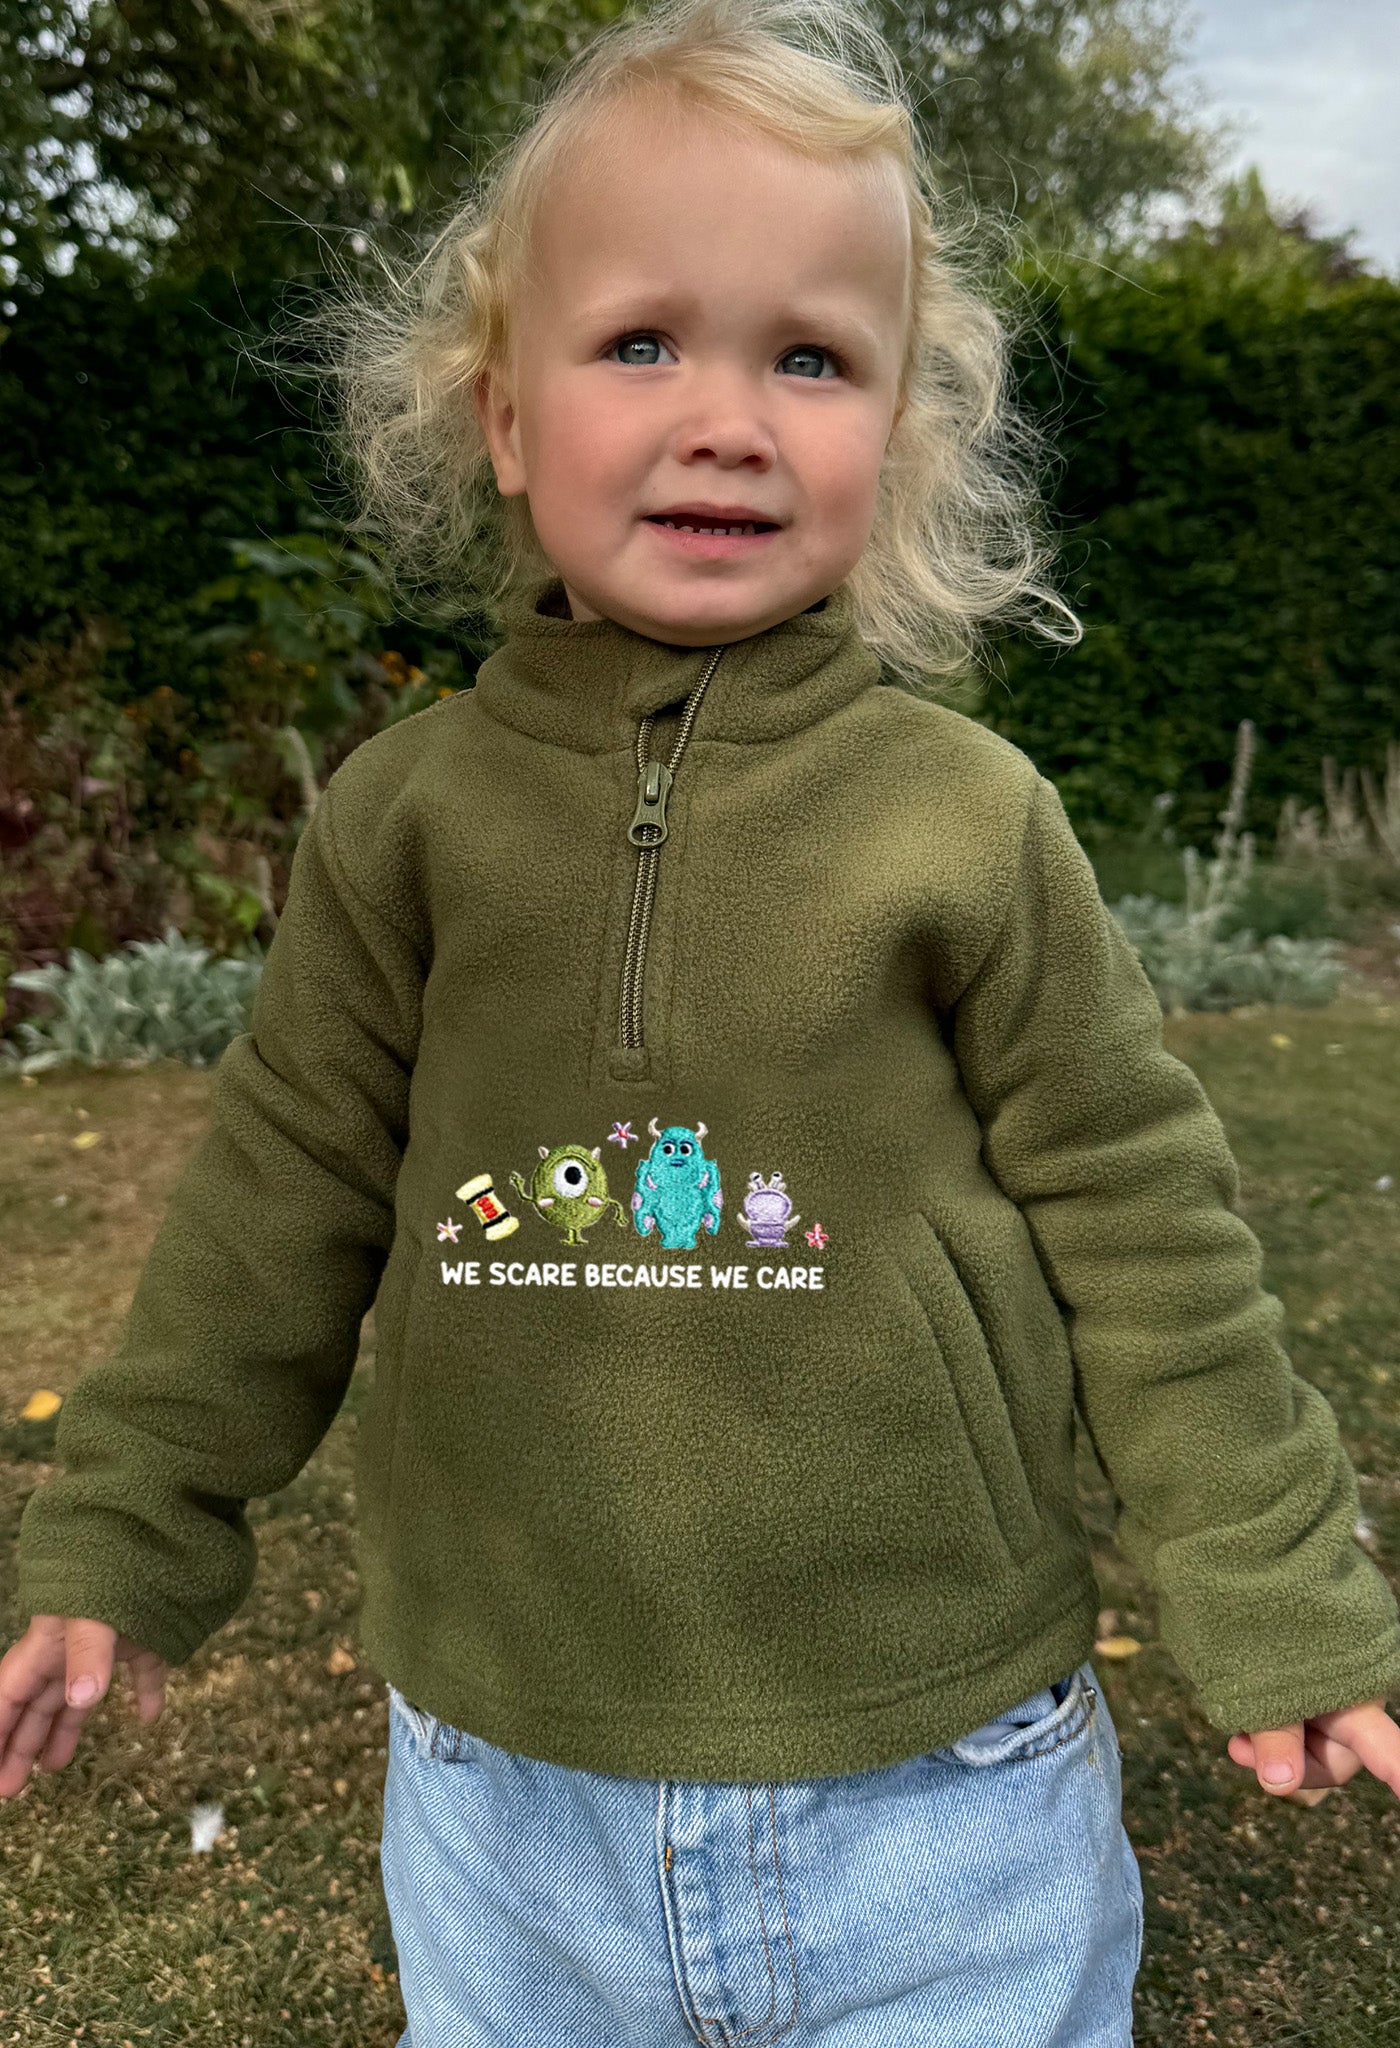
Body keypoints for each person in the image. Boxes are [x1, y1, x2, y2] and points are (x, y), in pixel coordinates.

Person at [4, 0, 1398, 2040]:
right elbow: (277, 1196)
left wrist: (1276, 1587)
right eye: (643, 340)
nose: (729, 417)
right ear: (504, 417)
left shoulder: (966, 820)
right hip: (503, 1787)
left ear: (897, 432)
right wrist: (128, 1521)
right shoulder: (401, 820)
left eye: (811, 358)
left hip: (943, 1782)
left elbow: (1146, 1223)